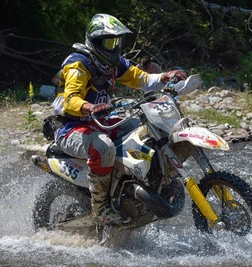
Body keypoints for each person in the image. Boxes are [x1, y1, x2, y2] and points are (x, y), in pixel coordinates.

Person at [51, 14, 187, 225]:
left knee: (143, 130)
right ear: (95, 42)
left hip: (99, 121)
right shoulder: (79, 65)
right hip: (70, 126)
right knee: (103, 148)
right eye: (108, 42)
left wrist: (166, 77)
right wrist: (91, 107)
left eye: (117, 42)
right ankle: (101, 207)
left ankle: (143, 184)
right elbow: (70, 100)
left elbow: (141, 79)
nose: (114, 48)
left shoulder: (112, 63)